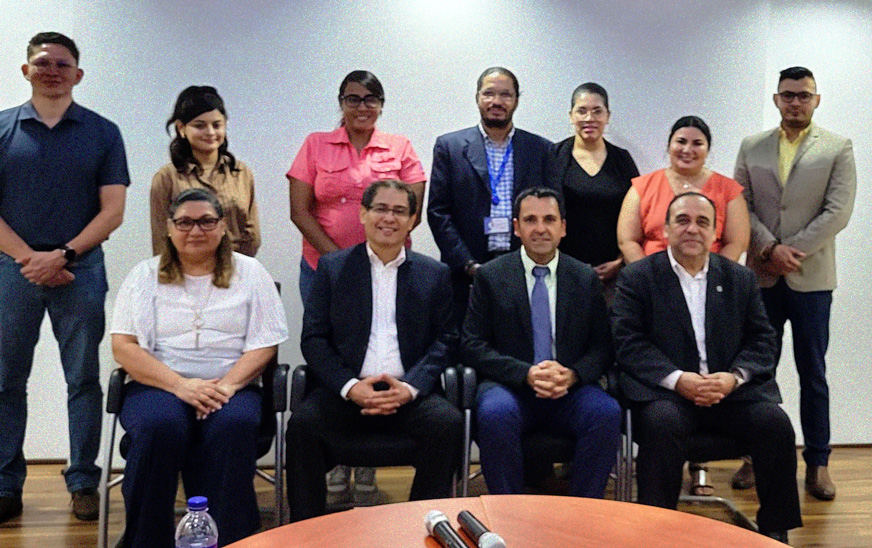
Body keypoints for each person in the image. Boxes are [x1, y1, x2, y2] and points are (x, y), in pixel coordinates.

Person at [611, 192, 802, 544]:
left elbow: (763, 340)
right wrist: (678, 379)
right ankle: (657, 531)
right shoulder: (638, 278)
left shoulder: (739, 279)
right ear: (666, 228)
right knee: (661, 422)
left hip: (730, 395)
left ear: (715, 232)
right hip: (668, 397)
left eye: (702, 222)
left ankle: (776, 532)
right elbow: (628, 342)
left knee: (775, 423)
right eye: (682, 220)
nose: (692, 229)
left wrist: (734, 378)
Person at [110, 188, 288, 547]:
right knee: (160, 426)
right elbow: (123, 347)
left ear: (223, 227)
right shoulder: (143, 276)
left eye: (207, 221)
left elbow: (266, 343)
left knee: (234, 425)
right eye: (185, 222)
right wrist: (180, 386)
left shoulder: (251, 273)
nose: (196, 230)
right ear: (170, 228)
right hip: (159, 384)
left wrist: (227, 386)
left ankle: (230, 540)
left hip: (230, 384)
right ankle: (147, 541)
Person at [0, 32, 129, 524]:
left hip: (82, 269)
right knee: (6, 380)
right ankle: (6, 484)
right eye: (42, 62)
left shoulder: (102, 131)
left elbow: (113, 210)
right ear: (25, 70)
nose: (52, 70)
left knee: (83, 379)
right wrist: (31, 259)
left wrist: (64, 254)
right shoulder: (3, 128)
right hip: (13, 270)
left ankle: (82, 481)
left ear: (78, 74)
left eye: (62, 63)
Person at [287, 180, 463, 522]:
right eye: (381, 208)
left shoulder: (434, 273)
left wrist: (410, 388)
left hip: (407, 392)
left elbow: (446, 340)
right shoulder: (333, 269)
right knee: (302, 426)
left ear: (412, 220)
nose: (389, 218)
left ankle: (425, 526)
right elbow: (314, 339)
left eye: (400, 211)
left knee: (447, 424)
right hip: (347, 392)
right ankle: (304, 533)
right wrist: (352, 387)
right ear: (363, 214)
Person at [288, 71, 426, 495]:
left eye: (371, 99)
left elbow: (413, 210)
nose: (362, 106)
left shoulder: (399, 147)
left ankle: (368, 456)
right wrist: (341, 263)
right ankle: (333, 457)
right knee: (331, 353)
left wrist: (366, 261)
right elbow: (300, 210)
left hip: (387, 270)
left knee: (380, 351)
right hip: (322, 269)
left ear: (382, 104)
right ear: (341, 102)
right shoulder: (315, 144)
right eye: (353, 98)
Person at [733, 66, 856, 501]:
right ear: (776, 99)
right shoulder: (753, 146)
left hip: (811, 278)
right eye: (788, 95)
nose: (796, 102)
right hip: (761, 277)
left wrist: (792, 251)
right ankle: (752, 454)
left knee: (813, 373)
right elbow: (740, 202)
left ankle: (818, 463)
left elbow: (837, 211)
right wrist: (769, 249)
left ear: (816, 99)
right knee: (755, 370)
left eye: (804, 95)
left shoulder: (838, 148)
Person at [462, 187, 620, 498]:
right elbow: (472, 344)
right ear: (517, 227)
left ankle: (584, 513)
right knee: (495, 413)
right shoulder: (491, 276)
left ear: (563, 227)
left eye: (549, 219)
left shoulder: (584, 278)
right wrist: (526, 373)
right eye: (530, 220)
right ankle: (507, 513)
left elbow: (603, 346)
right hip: (511, 388)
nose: (540, 228)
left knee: (606, 412)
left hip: (569, 389)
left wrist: (572, 374)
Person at [428, 66, 554, 327]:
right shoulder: (449, 147)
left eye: (506, 95)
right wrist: (468, 264)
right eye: (489, 93)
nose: (497, 101)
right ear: (477, 98)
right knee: (466, 348)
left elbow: (553, 210)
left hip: (524, 268)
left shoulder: (541, 149)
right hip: (464, 271)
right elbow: (438, 212)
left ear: (517, 100)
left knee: (518, 344)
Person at [617, 115, 750, 264]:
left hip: (709, 280)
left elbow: (736, 244)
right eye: (681, 142)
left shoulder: (728, 190)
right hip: (651, 279)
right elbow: (628, 241)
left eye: (697, 143)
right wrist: (645, 277)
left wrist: (713, 277)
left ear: (707, 150)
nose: (687, 149)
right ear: (669, 146)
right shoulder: (642, 187)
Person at [549, 83, 639, 294]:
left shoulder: (622, 160)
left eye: (597, 111)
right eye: (582, 111)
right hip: (563, 274)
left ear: (607, 116)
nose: (589, 118)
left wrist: (620, 261)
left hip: (614, 276)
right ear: (571, 116)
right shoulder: (553, 157)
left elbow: (639, 215)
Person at [151, 85, 260, 257]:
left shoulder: (240, 172)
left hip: (236, 269)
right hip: (186, 273)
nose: (210, 132)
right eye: (199, 126)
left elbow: (252, 234)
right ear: (181, 128)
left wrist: (240, 271)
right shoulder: (167, 178)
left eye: (217, 125)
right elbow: (161, 239)